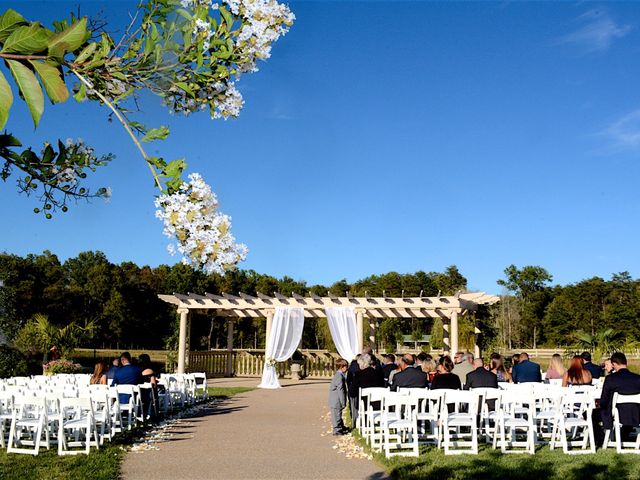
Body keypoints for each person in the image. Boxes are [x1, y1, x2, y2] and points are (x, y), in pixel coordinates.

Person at [600, 352, 640, 441]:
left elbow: (604, 400)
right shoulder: (638, 378)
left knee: (590, 414)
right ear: (626, 363)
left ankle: (601, 437)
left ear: (613, 364)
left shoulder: (611, 379)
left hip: (617, 413)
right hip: (636, 413)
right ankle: (623, 435)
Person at [328, 358, 349, 435]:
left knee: (338, 414)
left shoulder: (339, 375)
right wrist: (343, 401)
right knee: (336, 415)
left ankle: (340, 427)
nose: (347, 368)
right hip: (336, 399)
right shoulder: (339, 377)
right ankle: (336, 429)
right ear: (342, 367)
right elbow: (341, 390)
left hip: (335, 399)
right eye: (346, 367)